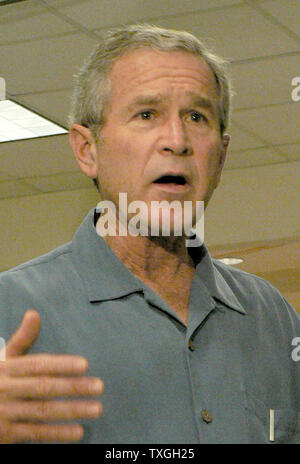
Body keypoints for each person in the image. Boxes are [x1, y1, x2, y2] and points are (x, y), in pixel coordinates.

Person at [0, 24, 299, 445]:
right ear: (88, 150)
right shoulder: (10, 308)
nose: (176, 140)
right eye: (146, 115)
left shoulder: (275, 319)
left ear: (222, 155)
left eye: (196, 117)